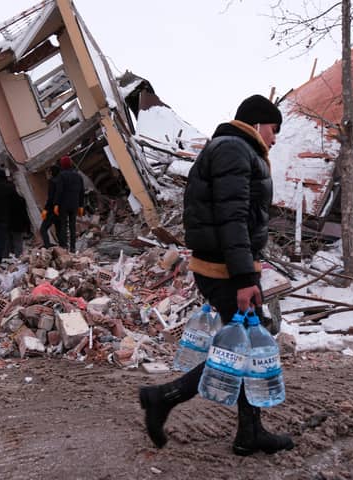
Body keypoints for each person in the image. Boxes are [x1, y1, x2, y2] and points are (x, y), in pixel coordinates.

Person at [139, 95, 295, 456]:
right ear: (257, 123)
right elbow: (233, 217)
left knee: (242, 350)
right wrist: (243, 278)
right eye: (274, 129)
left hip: (228, 268)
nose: (274, 139)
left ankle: (248, 431)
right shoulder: (234, 151)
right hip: (226, 272)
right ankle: (163, 398)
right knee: (241, 352)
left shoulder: (232, 149)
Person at [53, 155, 84, 253]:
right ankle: (73, 247)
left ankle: (64, 246)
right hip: (74, 204)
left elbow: (59, 191)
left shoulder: (61, 176)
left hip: (63, 204)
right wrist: (81, 206)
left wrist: (56, 204)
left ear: (62, 165)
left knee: (63, 225)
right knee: (72, 226)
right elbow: (81, 191)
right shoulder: (78, 176)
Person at [40, 164, 61, 248]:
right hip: (61, 209)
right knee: (59, 229)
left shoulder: (52, 182)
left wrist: (45, 210)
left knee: (43, 229)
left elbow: (51, 198)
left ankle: (47, 245)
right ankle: (63, 246)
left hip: (52, 209)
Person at [7, 190, 30, 257]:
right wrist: (27, 226)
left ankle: (7, 256)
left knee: (8, 242)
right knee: (18, 242)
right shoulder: (21, 200)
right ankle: (18, 257)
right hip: (19, 224)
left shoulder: (6, 201)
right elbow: (25, 213)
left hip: (8, 224)